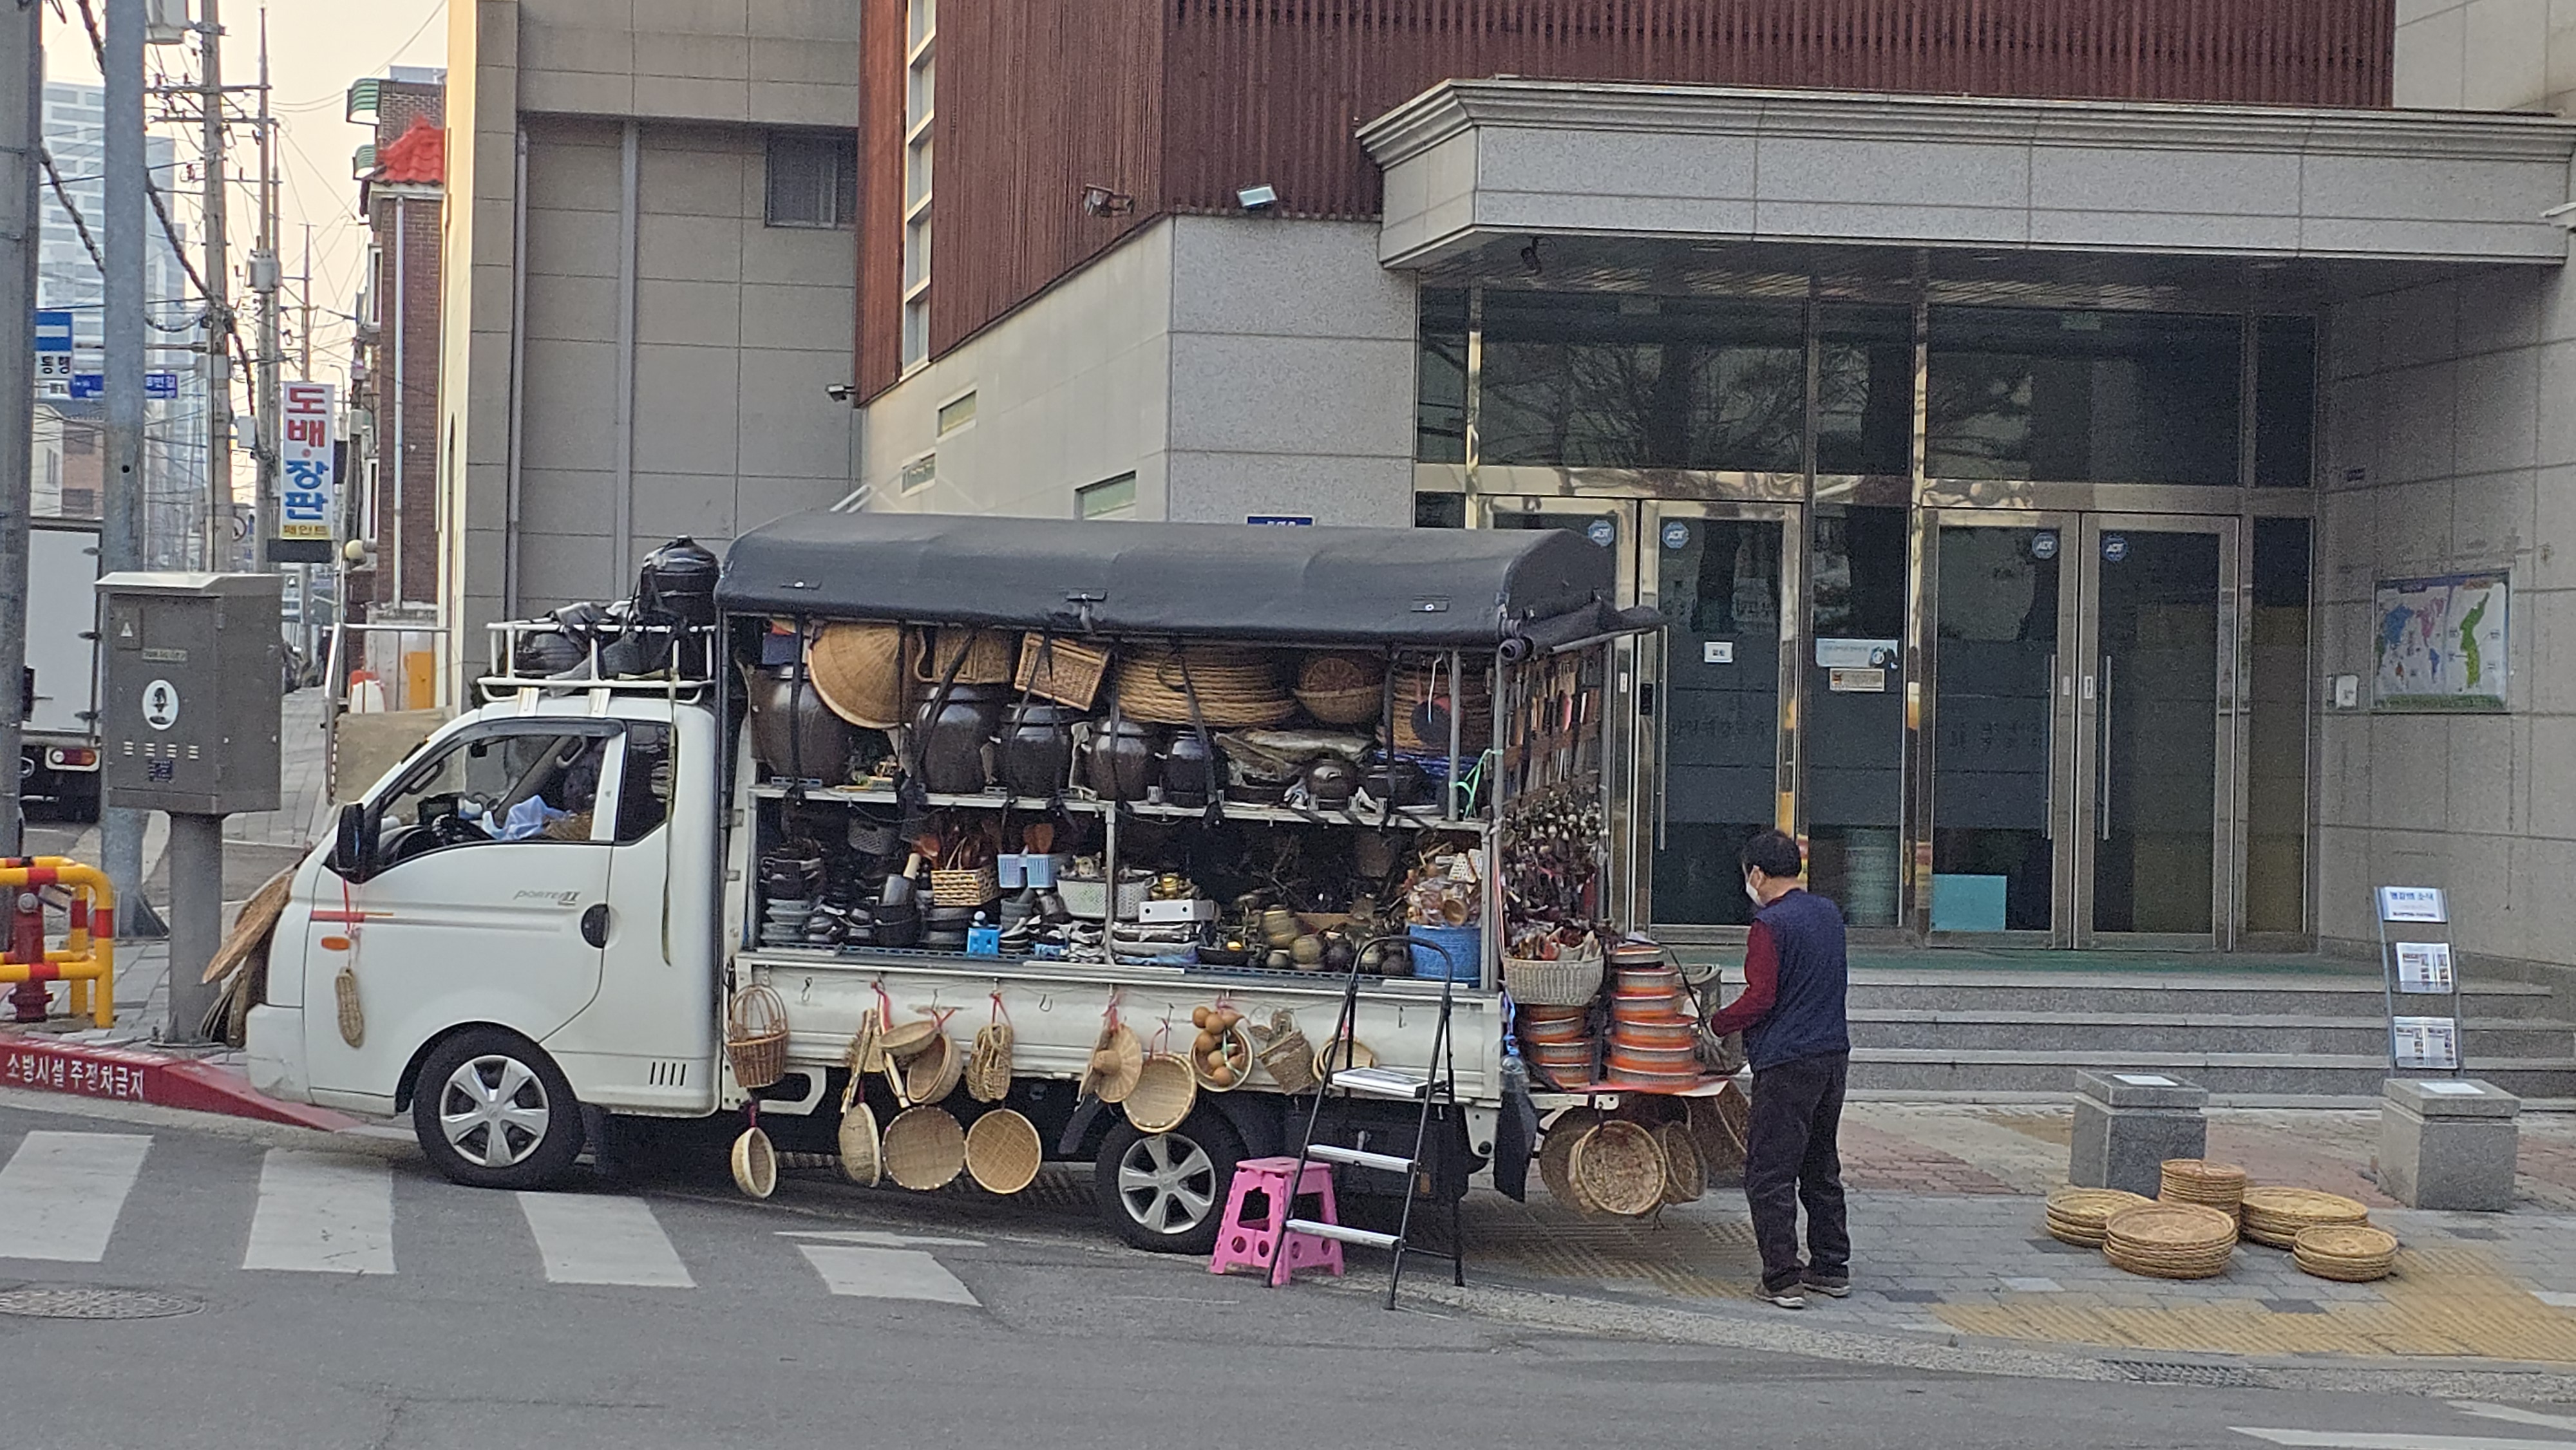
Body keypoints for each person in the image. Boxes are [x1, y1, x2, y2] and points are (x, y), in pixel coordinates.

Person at [1703, 828, 1851, 1310]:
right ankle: (1831, 1266)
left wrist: (1717, 1023)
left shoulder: (1769, 925)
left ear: (1757, 873)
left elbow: (1761, 997)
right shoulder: (1828, 913)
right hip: (1832, 1055)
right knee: (1820, 1165)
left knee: (1770, 1171)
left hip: (1787, 1061)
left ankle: (1782, 1277)